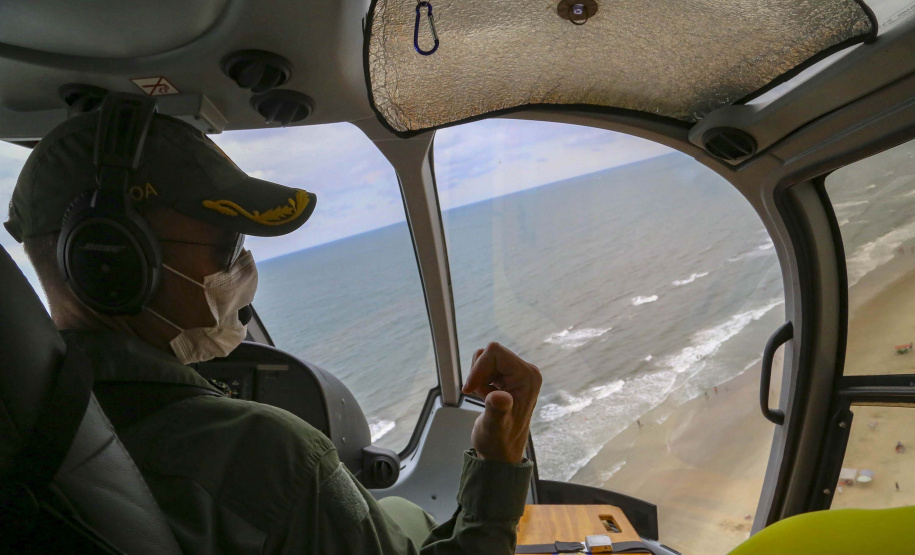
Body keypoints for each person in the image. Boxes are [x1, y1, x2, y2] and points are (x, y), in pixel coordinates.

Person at [5, 111, 543, 553]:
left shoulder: (24, 430)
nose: (242, 270)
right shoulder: (269, 458)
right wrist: (496, 476)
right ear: (112, 260)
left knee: (399, 509)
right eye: (227, 248)